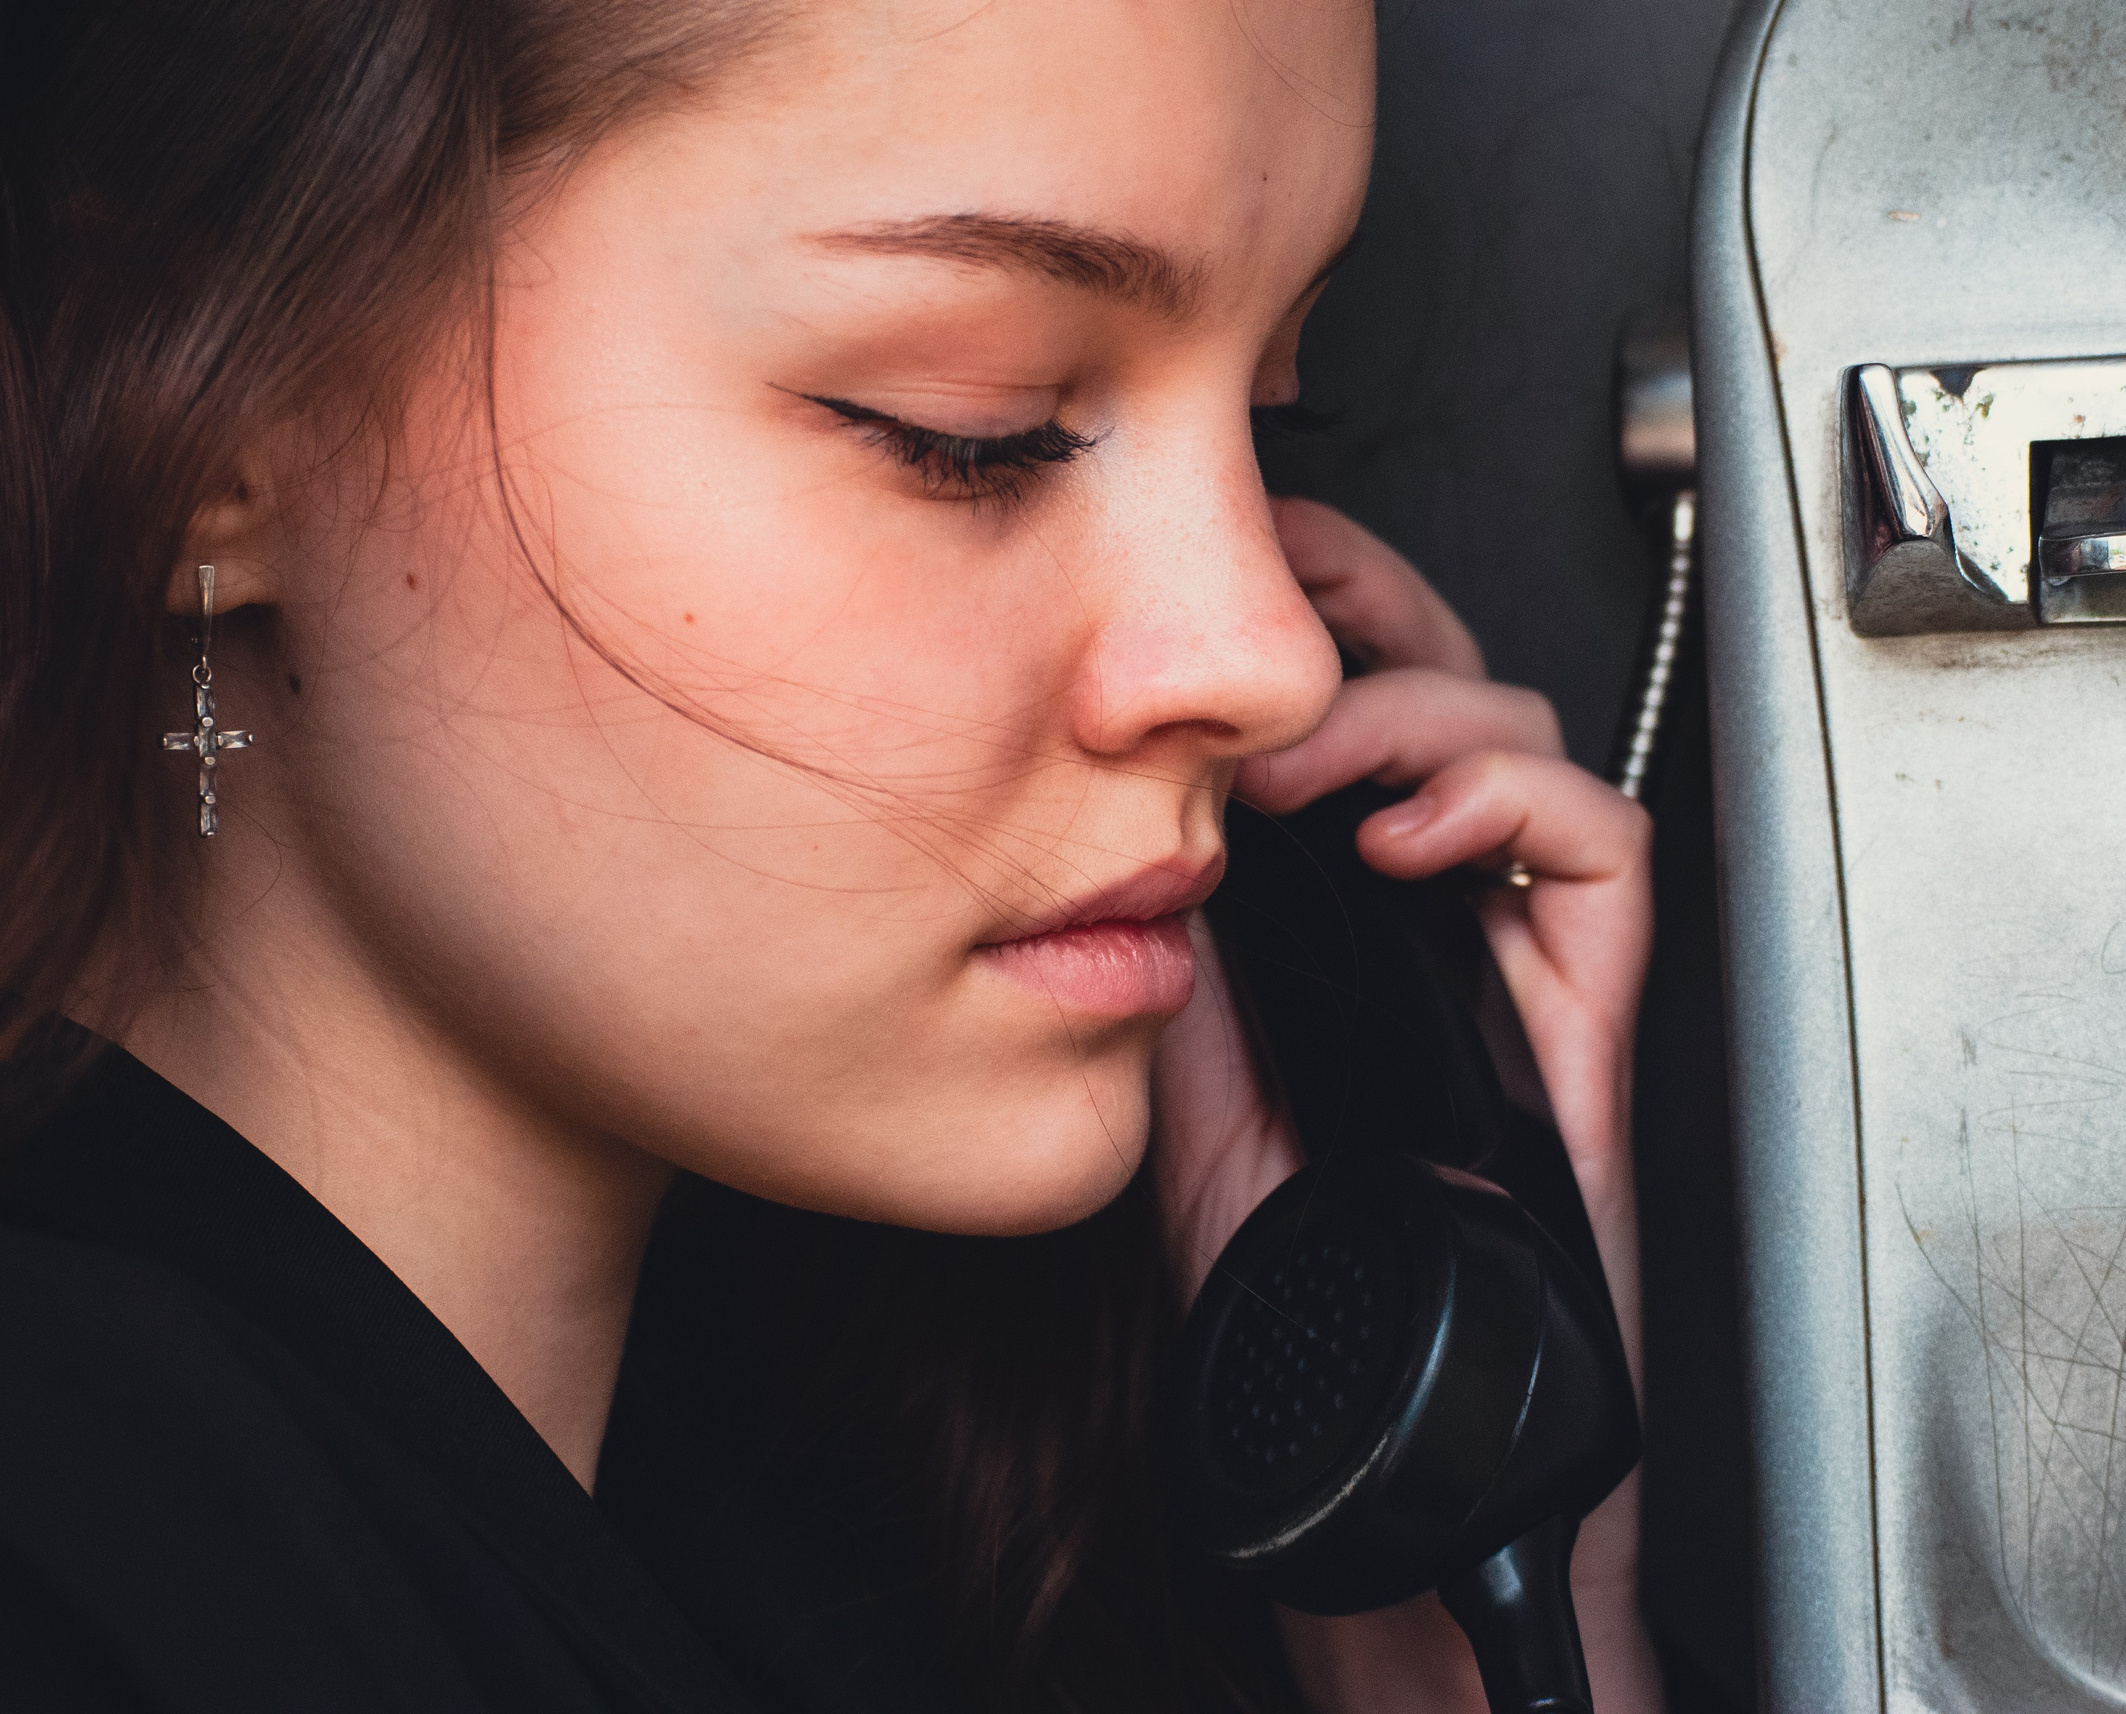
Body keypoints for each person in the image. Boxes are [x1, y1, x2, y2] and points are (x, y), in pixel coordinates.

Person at [0, 3, 1660, 1710]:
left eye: (1271, 414)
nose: (1270, 657)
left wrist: (1481, 1621)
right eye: (971, 424)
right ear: (214, 405)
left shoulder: (808, 1548)